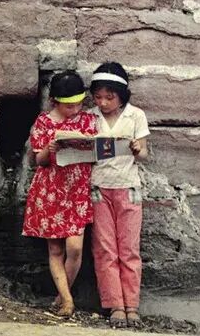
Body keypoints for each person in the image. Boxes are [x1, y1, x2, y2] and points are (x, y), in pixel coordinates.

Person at [22, 70, 97, 318]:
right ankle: (66, 300)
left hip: (77, 191)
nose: (74, 110)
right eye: (68, 106)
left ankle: (60, 296)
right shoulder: (44, 122)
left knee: (75, 248)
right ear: (54, 101)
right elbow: (40, 161)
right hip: (51, 190)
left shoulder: (88, 121)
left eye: (78, 104)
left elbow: (97, 153)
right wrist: (49, 147)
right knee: (55, 250)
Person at [90, 61, 150, 328]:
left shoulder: (135, 116)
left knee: (129, 249)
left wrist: (137, 149)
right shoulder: (90, 118)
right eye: (98, 97)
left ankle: (132, 305)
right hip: (99, 189)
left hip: (128, 188)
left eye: (109, 97)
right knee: (105, 249)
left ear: (122, 96)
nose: (103, 103)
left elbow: (144, 154)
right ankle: (115, 305)